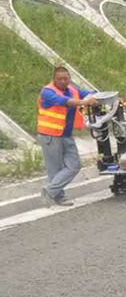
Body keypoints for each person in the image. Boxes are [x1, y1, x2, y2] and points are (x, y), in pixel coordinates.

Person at [38, 66, 97, 208]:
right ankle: (58, 197)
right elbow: (65, 101)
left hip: (66, 134)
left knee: (74, 165)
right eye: (60, 79)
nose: (63, 81)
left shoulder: (72, 89)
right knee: (54, 168)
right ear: (54, 79)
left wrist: (98, 96)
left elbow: (89, 93)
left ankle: (50, 191)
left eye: (66, 78)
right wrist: (85, 102)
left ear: (70, 78)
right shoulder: (47, 92)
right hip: (50, 135)